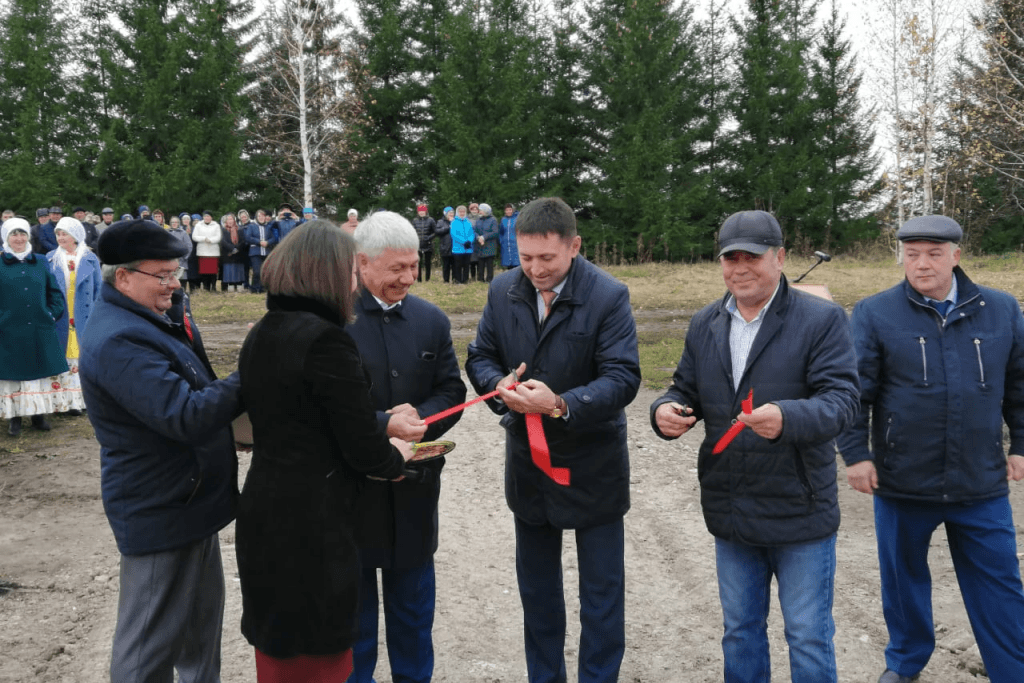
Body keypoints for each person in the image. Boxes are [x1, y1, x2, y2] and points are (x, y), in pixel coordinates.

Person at [649, 210, 859, 683]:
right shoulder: (706, 322)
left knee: (807, 634)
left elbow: (843, 402)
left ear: (780, 257)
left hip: (800, 510)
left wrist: (788, 416)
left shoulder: (822, 320)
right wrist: (667, 409)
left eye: (752, 257)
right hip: (733, 507)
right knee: (740, 631)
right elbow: (685, 388)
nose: (739, 268)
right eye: (730, 258)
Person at [835, 215, 1024, 683]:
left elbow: (1020, 384)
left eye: (934, 254)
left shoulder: (1002, 310)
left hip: (980, 482)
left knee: (1000, 585)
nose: (921, 264)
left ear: (956, 256)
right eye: (912, 253)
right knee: (903, 583)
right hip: (903, 480)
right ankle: (905, 664)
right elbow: (856, 392)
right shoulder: (875, 313)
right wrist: (855, 454)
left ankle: (1013, 670)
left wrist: (1020, 443)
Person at [465, 196, 641, 683]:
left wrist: (561, 404)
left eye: (548, 259)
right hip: (529, 466)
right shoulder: (503, 291)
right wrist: (496, 385)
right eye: (525, 258)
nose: (536, 270)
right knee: (538, 594)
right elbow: (479, 355)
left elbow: (623, 378)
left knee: (601, 597)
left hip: (593, 465)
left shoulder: (609, 295)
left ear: (575, 246)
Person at [235, 220, 414, 683]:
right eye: (351, 272)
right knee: (320, 658)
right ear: (328, 275)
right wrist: (397, 457)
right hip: (312, 526)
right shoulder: (327, 341)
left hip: (264, 512)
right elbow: (361, 444)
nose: (354, 283)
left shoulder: (263, 331)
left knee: (276, 654)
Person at [78, 218, 243, 683]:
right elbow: (184, 415)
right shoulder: (120, 338)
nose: (175, 283)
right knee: (145, 652)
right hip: (160, 511)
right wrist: (250, 371)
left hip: (190, 502)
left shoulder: (151, 316)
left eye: (176, 272)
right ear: (123, 276)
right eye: (163, 275)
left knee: (198, 635)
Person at [346, 212, 467, 683]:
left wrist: (423, 421)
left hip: (415, 491)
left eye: (413, 266)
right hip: (353, 494)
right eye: (396, 268)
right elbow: (324, 407)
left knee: (414, 616)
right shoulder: (337, 321)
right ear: (362, 263)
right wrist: (384, 427)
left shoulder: (431, 320)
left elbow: (450, 391)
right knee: (355, 625)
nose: (408, 278)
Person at [1, 218, 67, 436]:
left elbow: (55, 293)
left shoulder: (40, 261)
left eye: (22, 234)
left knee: (39, 373)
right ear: (6, 238)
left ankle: (39, 415)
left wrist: (50, 314)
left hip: (39, 327)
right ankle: (15, 418)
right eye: (14, 234)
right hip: (9, 329)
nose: (19, 239)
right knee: (13, 375)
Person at [46, 217, 102, 416]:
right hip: (61, 315)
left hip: (84, 314)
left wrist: (97, 314)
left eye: (64, 234)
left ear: (75, 236)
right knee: (63, 357)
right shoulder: (51, 258)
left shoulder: (89, 258)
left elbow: (98, 290)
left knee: (81, 357)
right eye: (58, 234)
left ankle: (81, 401)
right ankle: (62, 403)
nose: (60, 238)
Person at [244, 210, 277, 294]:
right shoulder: (252, 226)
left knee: (264, 271)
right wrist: (259, 242)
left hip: (266, 252)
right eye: (259, 216)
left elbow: (273, 238)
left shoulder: (268, 227)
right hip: (255, 252)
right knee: (257, 271)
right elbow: (248, 237)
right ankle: (254, 288)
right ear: (256, 217)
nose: (261, 218)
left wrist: (268, 242)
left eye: (263, 216)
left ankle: (262, 288)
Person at [192, 210, 222, 292]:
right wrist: (203, 239)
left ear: (211, 217)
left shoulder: (216, 225)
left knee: (213, 271)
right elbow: (194, 236)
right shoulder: (198, 225)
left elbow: (218, 237)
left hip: (213, 252)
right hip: (202, 252)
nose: (207, 218)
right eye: (205, 216)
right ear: (203, 217)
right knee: (204, 271)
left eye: (208, 216)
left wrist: (211, 240)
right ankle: (206, 287)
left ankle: (214, 287)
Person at [219, 213, 246, 292]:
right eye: (228, 219)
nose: (230, 221)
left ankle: (239, 286)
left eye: (231, 219)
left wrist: (237, 248)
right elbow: (223, 241)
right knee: (230, 271)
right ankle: (230, 287)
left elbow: (243, 241)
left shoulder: (239, 229)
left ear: (234, 220)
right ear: (226, 221)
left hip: (239, 254)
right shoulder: (223, 230)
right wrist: (232, 248)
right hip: (228, 254)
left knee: (238, 270)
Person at [472, 203, 499, 282]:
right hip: (480, 245)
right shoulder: (478, 220)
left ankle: (489, 279)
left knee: (489, 263)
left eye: (481, 210)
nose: (479, 212)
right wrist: (478, 237)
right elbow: (474, 231)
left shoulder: (493, 220)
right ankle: (480, 278)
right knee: (480, 263)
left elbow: (495, 232)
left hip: (489, 245)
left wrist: (484, 237)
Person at [449, 205, 474, 285]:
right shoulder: (454, 222)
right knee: (458, 265)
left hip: (468, 248)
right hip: (458, 248)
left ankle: (465, 280)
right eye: (460, 212)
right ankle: (458, 280)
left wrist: (469, 241)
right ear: (457, 212)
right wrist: (463, 242)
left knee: (466, 265)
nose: (462, 213)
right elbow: (454, 235)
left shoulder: (468, 222)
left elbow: (472, 233)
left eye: (463, 211)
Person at [412, 204, 436, 282]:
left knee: (427, 263)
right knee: (418, 263)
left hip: (428, 244)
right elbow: (411, 232)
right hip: (418, 245)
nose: (421, 212)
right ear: (418, 212)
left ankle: (427, 279)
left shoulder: (431, 220)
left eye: (423, 211)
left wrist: (429, 238)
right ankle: (419, 279)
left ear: (426, 211)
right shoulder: (415, 220)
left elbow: (435, 232)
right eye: (420, 211)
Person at [437, 207, 454, 283]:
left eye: (452, 213)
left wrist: (452, 223)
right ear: (445, 214)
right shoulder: (440, 222)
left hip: (455, 246)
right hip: (445, 246)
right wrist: (447, 228)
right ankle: (446, 280)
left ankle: (454, 279)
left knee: (455, 265)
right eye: (449, 213)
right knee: (446, 265)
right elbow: (437, 231)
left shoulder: (455, 221)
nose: (451, 214)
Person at [499, 204, 520, 269]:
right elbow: (500, 232)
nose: (508, 211)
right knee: (508, 265)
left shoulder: (517, 219)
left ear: (513, 210)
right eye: (506, 210)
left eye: (510, 210)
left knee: (517, 263)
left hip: (515, 244)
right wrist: (501, 241)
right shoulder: (503, 220)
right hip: (506, 245)